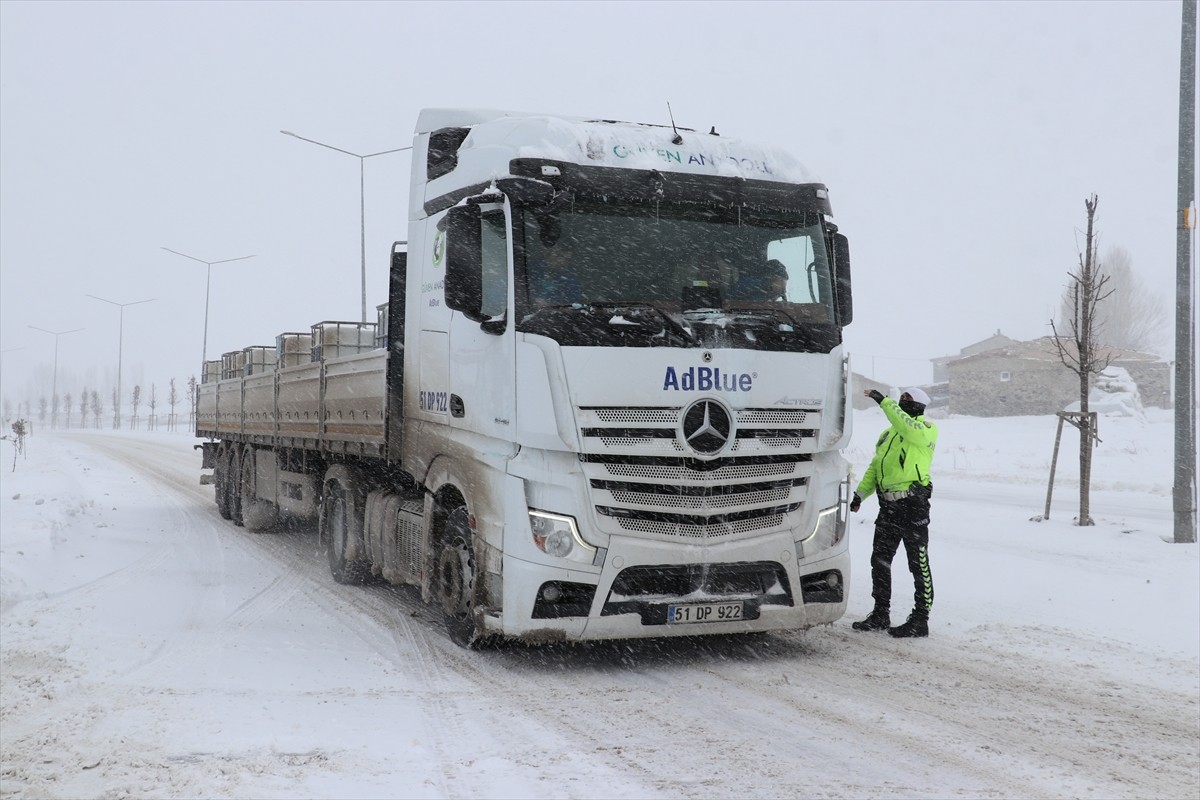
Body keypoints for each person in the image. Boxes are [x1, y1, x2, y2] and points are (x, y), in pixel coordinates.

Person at [849, 386, 938, 638]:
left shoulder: (926, 430)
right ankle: (880, 613)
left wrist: (884, 401)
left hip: (913, 504)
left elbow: (907, 425)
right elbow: (875, 467)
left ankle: (921, 619)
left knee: (917, 562)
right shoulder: (887, 434)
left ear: (920, 406)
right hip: (888, 506)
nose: (902, 402)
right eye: (901, 399)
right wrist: (860, 494)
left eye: (908, 400)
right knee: (880, 560)